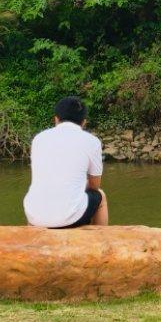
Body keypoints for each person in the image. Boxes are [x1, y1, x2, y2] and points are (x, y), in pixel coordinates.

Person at [23, 96, 109, 229]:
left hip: (34, 216)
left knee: (37, 196)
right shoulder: (91, 141)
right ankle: (101, 237)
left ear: (56, 119)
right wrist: (77, 185)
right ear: (84, 122)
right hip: (70, 218)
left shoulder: (39, 139)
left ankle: (34, 231)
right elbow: (94, 185)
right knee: (100, 195)